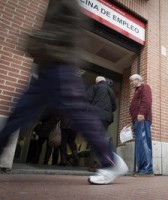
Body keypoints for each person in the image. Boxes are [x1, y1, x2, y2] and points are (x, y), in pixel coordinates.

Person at [0, 0, 127, 185]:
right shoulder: (107, 91)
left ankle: (111, 161)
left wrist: (39, 41)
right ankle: (107, 160)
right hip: (49, 67)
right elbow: (114, 106)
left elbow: (69, 28)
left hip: (58, 64)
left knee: (78, 117)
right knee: (20, 111)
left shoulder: (66, 4)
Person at [86, 76, 116, 172]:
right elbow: (114, 106)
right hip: (106, 118)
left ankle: (94, 164)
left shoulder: (95, 87)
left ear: (97, 81)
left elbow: (87, 99)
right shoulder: (110, 90)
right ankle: (103, 163)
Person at [129, 74, 153, 176]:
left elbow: (147, 101)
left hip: (142, 119)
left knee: (143, 143)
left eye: (132, 81)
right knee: (140, 144)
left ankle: (147, 169)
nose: (131, 83)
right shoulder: (137, 90)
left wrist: (141, 113)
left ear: (137, 80)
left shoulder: (144, 87)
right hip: (137, 120)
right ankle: (141, 168)